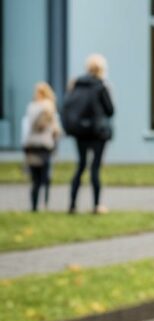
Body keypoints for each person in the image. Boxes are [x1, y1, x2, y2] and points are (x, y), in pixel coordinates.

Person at [62, 54, 115, 214]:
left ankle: (72, 205)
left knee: (81, 165)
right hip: (97, 133)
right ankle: (97, 205)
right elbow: (110, 110)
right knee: (95, 168)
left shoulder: (76, 85)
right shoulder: (101, 86)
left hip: (80, 133)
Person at [21, 82, 63, 212]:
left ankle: (34, 206)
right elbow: (56, 130)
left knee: (35, 179)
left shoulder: (31, 107)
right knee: (46, 177)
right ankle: (45, 203)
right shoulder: (50, 108)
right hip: (45, 145)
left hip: (32, 145)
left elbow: (26, 128)